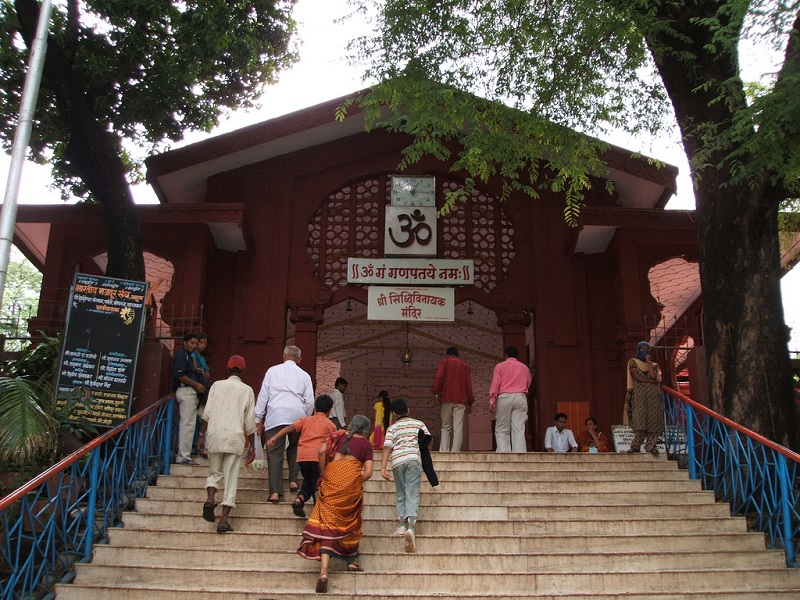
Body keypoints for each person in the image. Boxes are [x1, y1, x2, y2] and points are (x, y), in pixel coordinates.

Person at [298, 415, 374, 594]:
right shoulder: (366, 445)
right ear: (365, 430)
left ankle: (324, 573)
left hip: (331, 479)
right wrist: (355, 481)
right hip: (350, 484)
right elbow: (369, 473)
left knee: (326, 525)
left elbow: (321, 452)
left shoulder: (338, 436)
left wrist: (324, 472)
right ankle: (351, 561)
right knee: (353, 520)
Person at [198, 355, 256, 533]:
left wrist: (201, 435)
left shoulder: (216, 386)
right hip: (235, 437)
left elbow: (207, 413)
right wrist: (252, 446)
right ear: (244, 370)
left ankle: (210, 499)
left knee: (214, 472)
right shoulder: (247, 390)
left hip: (215, 434)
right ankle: (223, 521)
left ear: (227, 367)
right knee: (231, 478)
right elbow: (250, 421)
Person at [255, 345, 315, 502]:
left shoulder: (272, 371)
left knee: (274, 453)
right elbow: (309, 401)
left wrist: (258, 418)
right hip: (297, 413)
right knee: (295, 448)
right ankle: (294, 480)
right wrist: (305, 419)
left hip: (276, 414)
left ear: (283, 356)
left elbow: (263, 396)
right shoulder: (304, 375)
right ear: (299, 359)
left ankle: (275, 492)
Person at [266, 394, 337, 518]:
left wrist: (275, 437)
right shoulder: (331, 425)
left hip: (302, 457)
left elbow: (290, 428)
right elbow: (334, 444)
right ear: (330, 410)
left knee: (308, 480)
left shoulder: (305, 420)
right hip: (318, 458)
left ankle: (300, 499)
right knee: (318, 482)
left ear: (315, 407)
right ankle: (317, 509)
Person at [381, 398, 430, 554]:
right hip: (413, 460)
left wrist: (382, 467)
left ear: (394, 414)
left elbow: (387, 446)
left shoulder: (392, 428)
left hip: (397, 461)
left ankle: (401, 525)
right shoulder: (418, 424)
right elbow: (428, 440)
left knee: (401, 492)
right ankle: (411, 527)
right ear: (408, 410)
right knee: (412, 492)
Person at [171, 331, 207, 465]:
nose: (194, 346)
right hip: (186, 391)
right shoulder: (182, 355)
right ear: (185, 342)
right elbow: (179, 375)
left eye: (196, 343)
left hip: (192, 393)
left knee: (202, 418)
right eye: (192, 343)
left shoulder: (190, 357)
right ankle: (183, 456)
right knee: (187, 425)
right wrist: (196, 384)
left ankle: (200, 449)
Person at [488, 346, 532, 452]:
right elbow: (529, 382)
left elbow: (495, 384)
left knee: (502, 428)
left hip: (504, 397)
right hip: (520, 396)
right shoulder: (524, 368)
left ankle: (504, 454)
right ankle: (519, 454)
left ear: (506, 355)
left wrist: (492, 400)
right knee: (519, 429)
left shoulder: (500, 366)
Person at [431, 346, 474, 452]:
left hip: (446, 397)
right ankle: (455, 451)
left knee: (445, 426)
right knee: (458, 427)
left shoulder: (444, 362)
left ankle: (444, 451)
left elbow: (439, 377)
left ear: (448, 354)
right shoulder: (465, 366)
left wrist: (436, 391)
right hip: (460, 400)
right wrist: (470, 401)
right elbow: (468, 384)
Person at [627, 341, 664, 455]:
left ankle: (651, 446)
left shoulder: (654, 365)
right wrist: (651, 381)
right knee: (640, 420)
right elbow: (637, 377)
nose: (645, 351)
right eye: (642, 349)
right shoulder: (633, 362)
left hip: (653, 396)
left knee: (654, 420)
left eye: (647, 349)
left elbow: (654, 376)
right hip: (639, 395)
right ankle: (636, 445)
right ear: (638, 350)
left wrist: (648, 362)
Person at [192, 332, 212, 456]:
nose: (203, 346)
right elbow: (200, 371)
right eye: (201, 343)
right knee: (196, 419)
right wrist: (203, 372)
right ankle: (195, 447)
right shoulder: (193, 355)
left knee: (201, 419)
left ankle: (199, 446)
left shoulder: (202, 358)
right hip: (197, 390)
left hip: (203, 390)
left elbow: (208, 374)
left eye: (205, 343)